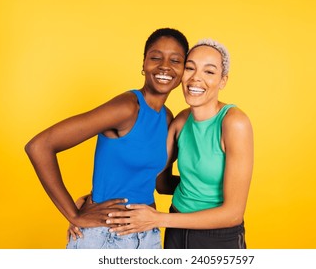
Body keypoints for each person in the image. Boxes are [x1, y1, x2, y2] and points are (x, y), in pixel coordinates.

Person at [24, 28, 189, 249]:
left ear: (183, 70)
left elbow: (161, 183)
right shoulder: (127, 107)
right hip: (107, 235)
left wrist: (219, 185)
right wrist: (74, 215)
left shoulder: (167, 118)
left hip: (147, 233)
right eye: (156, 58)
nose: (164, 67)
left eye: (175, 60)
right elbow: (39, 146)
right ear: (144, 64)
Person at [104, 39, 254, 249]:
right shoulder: (181, 121)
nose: (196, 78)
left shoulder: (234, 122)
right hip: (176, 233)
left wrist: (159, 219)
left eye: (209, 72)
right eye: (190, 68)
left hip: (218, 239)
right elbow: (155, 178)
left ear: (223, 81)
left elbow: (233, 214)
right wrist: (95, 199)